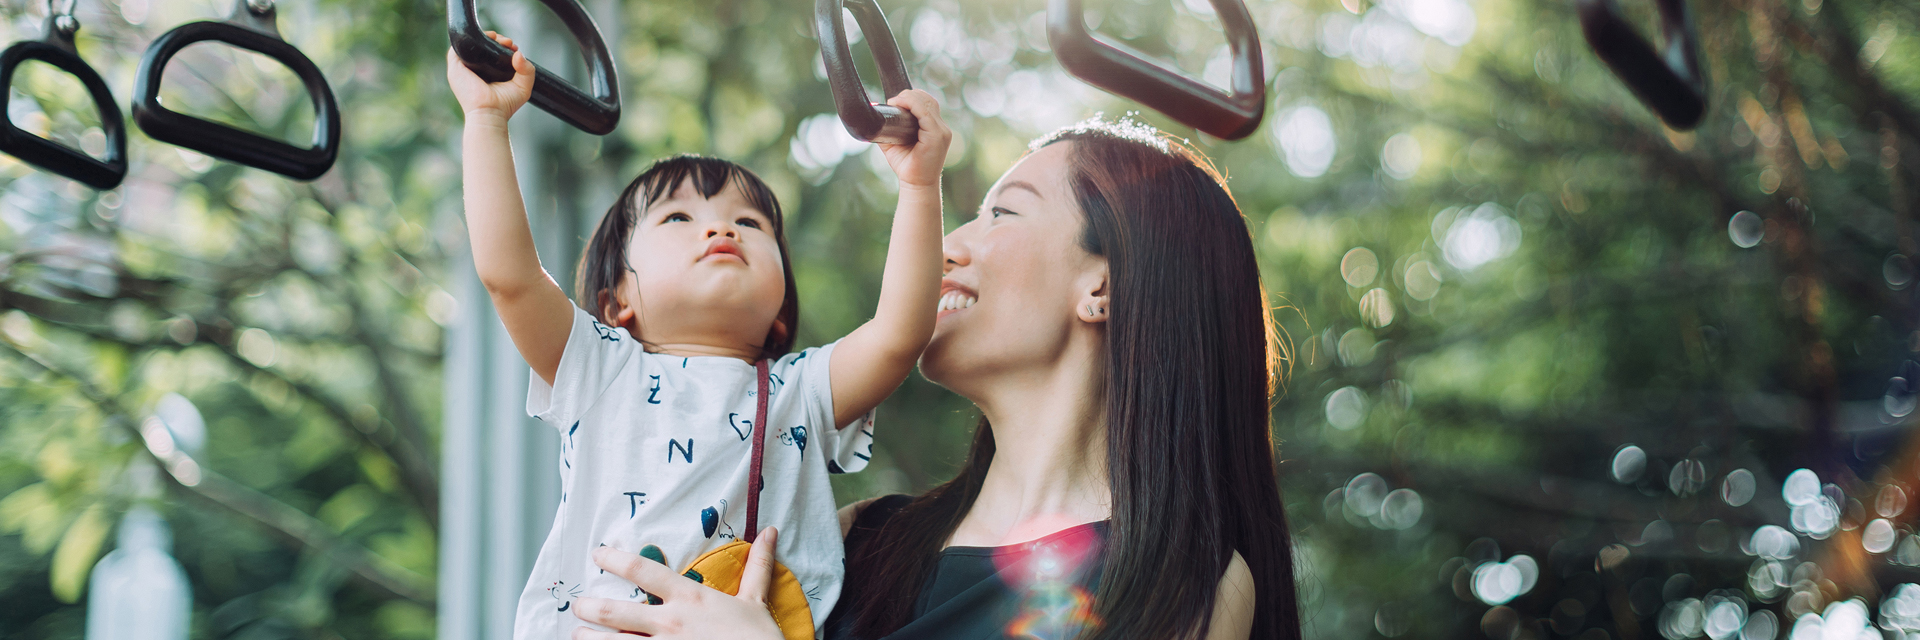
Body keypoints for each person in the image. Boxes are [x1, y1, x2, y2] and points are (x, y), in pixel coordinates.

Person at [561, 117, 1302, 640]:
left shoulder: (1184, 583)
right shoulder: (853, 541)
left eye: (1001, 213)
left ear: (1103, 286)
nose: (949, 244)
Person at [445, 31, 953, 639]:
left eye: (748, 221)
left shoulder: (802, 392)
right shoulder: (598, 371)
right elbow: (509, 276)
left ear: (781, 318)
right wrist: (485, 120)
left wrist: (920, 187)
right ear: (618, 302)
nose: (722, 230)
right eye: (680, 217)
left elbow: (901, 331)